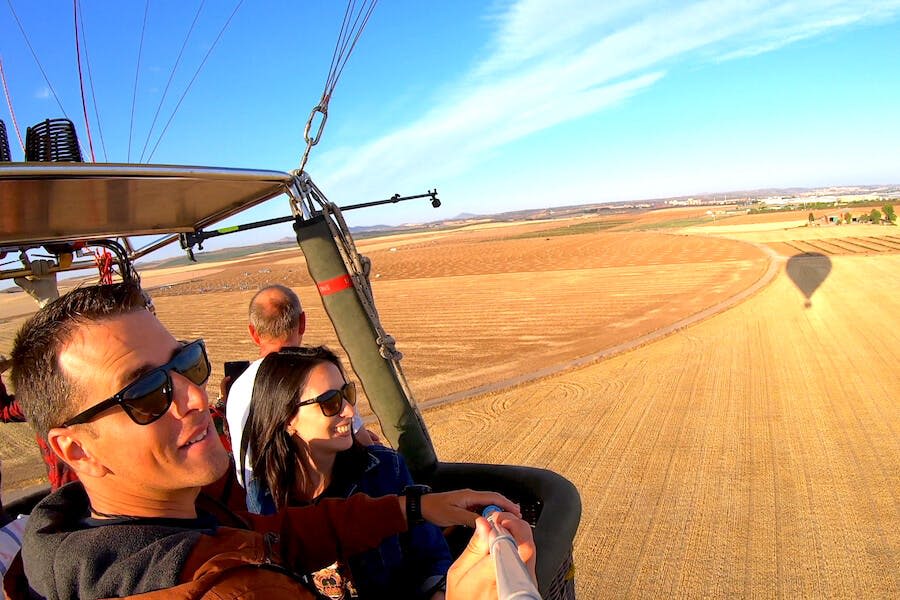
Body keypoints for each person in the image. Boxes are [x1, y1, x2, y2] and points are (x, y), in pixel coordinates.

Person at [6, 281, 536, 599]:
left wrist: (412, 507)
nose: (195, 398)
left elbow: (273, 535)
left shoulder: (77, 531)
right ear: (76, 450)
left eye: (187, 364)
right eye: (146, 393)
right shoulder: (236, 590)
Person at [243, 346, 452, 599]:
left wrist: (438, 592)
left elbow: (432, 559)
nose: (350, 411)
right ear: (287, 418)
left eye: (347, 393)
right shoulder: (263, 496)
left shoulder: (385, 469)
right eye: (330, 402)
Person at [226, 284, 372, 494]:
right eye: (333, 401)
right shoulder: (318, 378)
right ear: (302, 322)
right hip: (317, 496)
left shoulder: (237, 388)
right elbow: (366, 448)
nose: (346, 409)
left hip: (257, 500)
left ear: (253, 333)